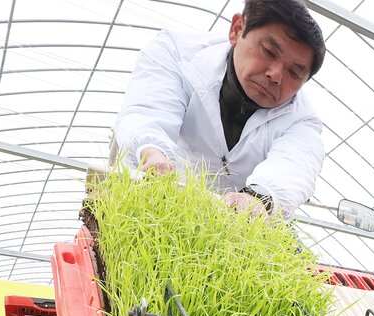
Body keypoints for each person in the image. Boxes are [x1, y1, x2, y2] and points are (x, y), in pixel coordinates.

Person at [112, 0, 327, 217]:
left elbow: (295, 163)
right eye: (268, 51)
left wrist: (258, 198)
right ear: (237, 30)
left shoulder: (302, 122)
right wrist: (152, 153)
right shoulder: (178, 53)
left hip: (233, 230)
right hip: (152, 204)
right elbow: (149, 110)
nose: (276, 75)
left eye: (294, 73)